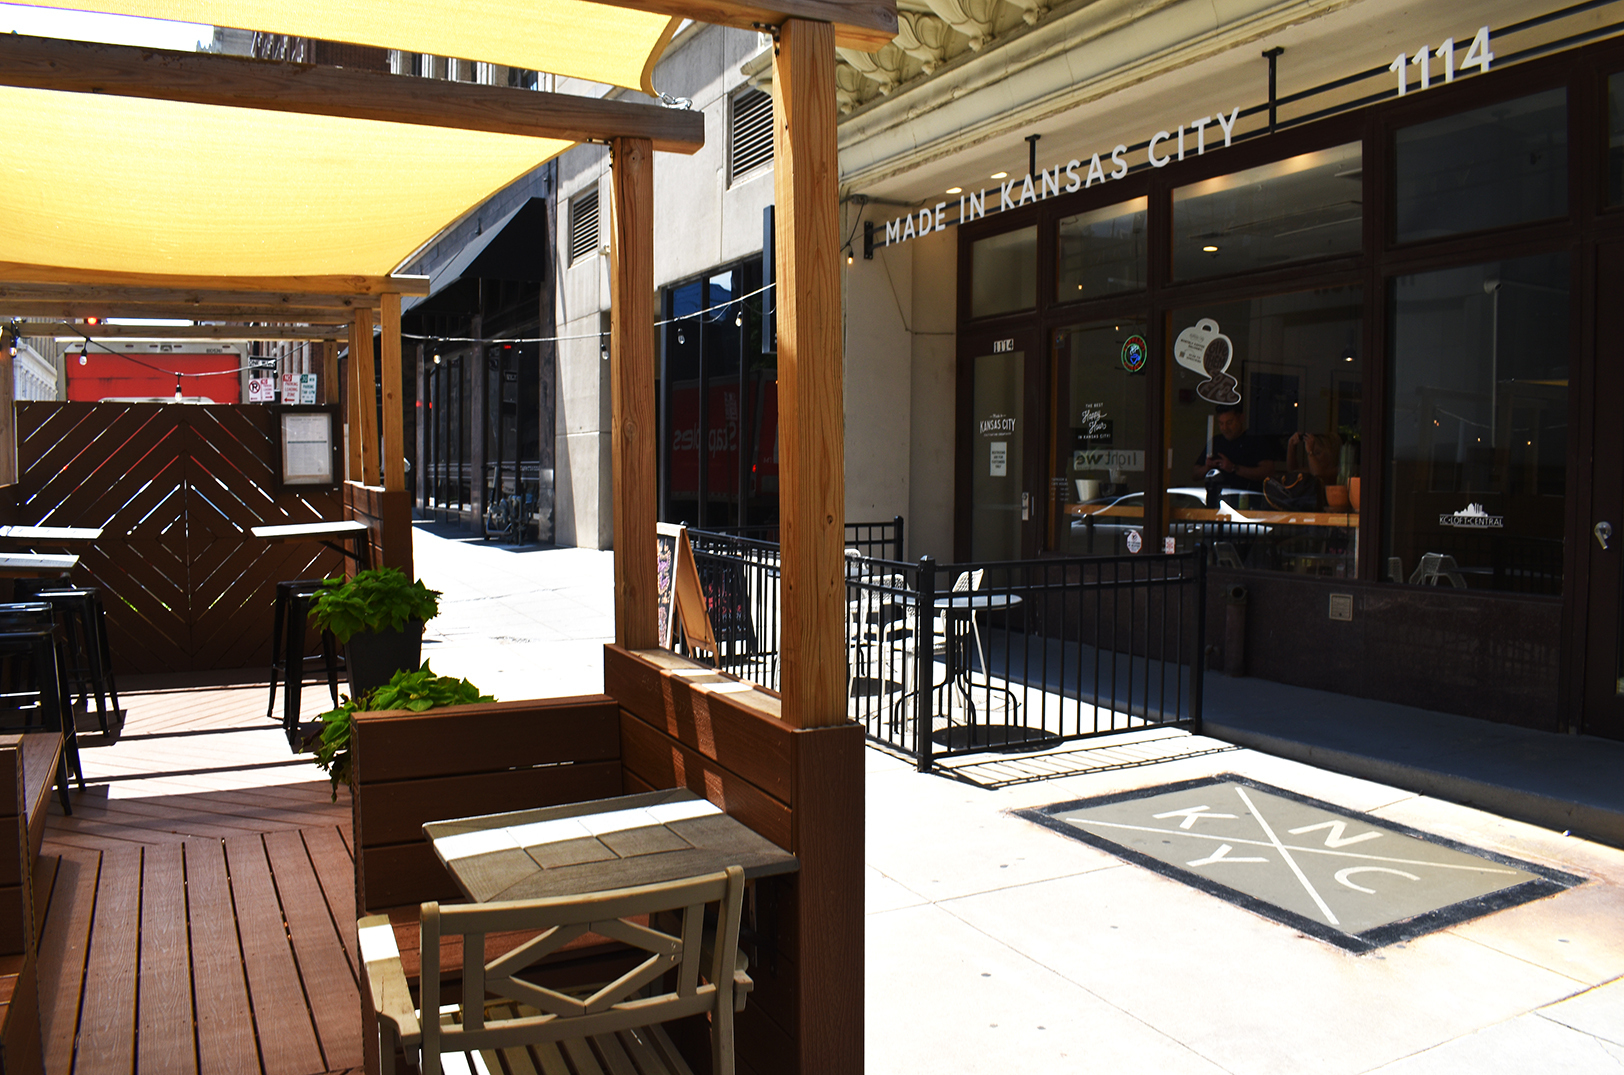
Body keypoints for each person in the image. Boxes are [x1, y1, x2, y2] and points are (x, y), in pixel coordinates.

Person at [1190, 405, 1278, 492]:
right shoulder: (1216, 441)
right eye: (1221, 423)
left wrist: (1234, 468)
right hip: (1216, 500)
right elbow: (1195, 475)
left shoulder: (1255, 440)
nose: (1225, 428)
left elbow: (1268, 472)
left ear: (1241, 418)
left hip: (1246, 499)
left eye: (1229, 423)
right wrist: (1207, 467)